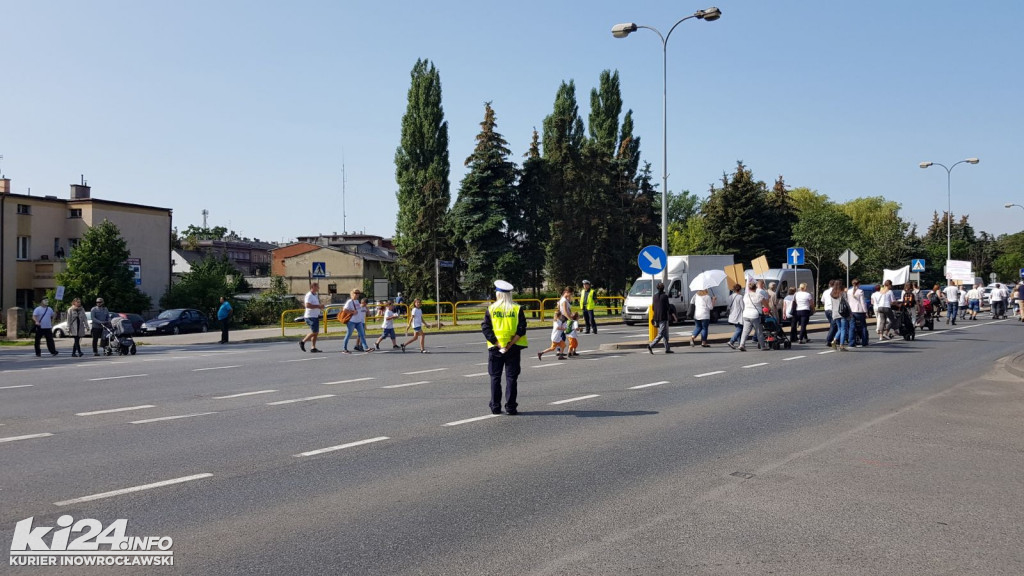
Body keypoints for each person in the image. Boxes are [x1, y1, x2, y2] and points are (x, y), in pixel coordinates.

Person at [481, 280, 528, 414]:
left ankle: (495, 407)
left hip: (495, 348)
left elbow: (486, 328)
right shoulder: (517, 308)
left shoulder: (491, 309)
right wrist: (509, 344)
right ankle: (511, 407)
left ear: (499, 294)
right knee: (511, 378)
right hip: (513, 348)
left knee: (495, 377)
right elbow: (521, 329)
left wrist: (497, 343)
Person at [737, 282, 768, 352]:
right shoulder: (759, 295)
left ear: (749, 288)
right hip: (755, 315)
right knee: (758, 330)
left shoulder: (745, 295)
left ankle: (742, 344)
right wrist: (768, 309)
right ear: (756, 288)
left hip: (746, 314)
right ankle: (763, 346)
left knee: (745, 331)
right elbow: (766, 305)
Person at [646, 282, 676, 354]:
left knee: (665, 333)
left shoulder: (654, 296)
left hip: (656, 317)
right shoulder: (665, 296)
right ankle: (651, 345)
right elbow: (668, 307)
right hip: (663, 317)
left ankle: (667, 349)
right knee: (661, 333)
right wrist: (673, 315)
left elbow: (653, 308)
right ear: (663, 288)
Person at [299, 282, 325, 353]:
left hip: (315, 316)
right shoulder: (309, 295)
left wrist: (320, 307)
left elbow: (315, 304)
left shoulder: (315, 295)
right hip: (310, 316)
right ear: (313, 287)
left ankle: (313, 347)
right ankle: (303, 341)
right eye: (317, 287)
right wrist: (318, 306)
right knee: (315, 332)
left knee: (315, 333)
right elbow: (307, 305)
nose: (318, 288)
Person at [829, 281, 851, 351]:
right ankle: (841, 345)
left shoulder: (832, 294)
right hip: (843, 313)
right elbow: (847, 303)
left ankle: (834, 340)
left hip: (835, 313)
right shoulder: (842, 293)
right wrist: (850, 312)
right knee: (843, 329)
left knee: (840, 328)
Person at [847, 279, 868, 347]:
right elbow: (862, 302)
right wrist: (866, 311)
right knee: (863, 326)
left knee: (851, 327)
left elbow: (848, 301)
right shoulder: (860, 291)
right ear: (858, 284)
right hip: (859, 311)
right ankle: (864, 341)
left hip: (851, 311)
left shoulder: (849, 291)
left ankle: (851, 342)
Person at [726, 284, 745, 350]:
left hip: (732, 315)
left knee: (738, 329)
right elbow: (743, 307)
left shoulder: (730, 296)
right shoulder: (740, 297)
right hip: (739, 315)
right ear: (739, 289)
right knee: (740, 329)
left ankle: (740, 344)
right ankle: (731, 341)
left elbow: (728, 306)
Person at [821, 280, 836, 347]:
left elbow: (822, 301)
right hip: (833, 309)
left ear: (829, 284)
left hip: (827, 309)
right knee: (833, 325)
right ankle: (829, 340)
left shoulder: (825, 292)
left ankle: (834, 339)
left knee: (832, 324)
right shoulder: (836, 291)